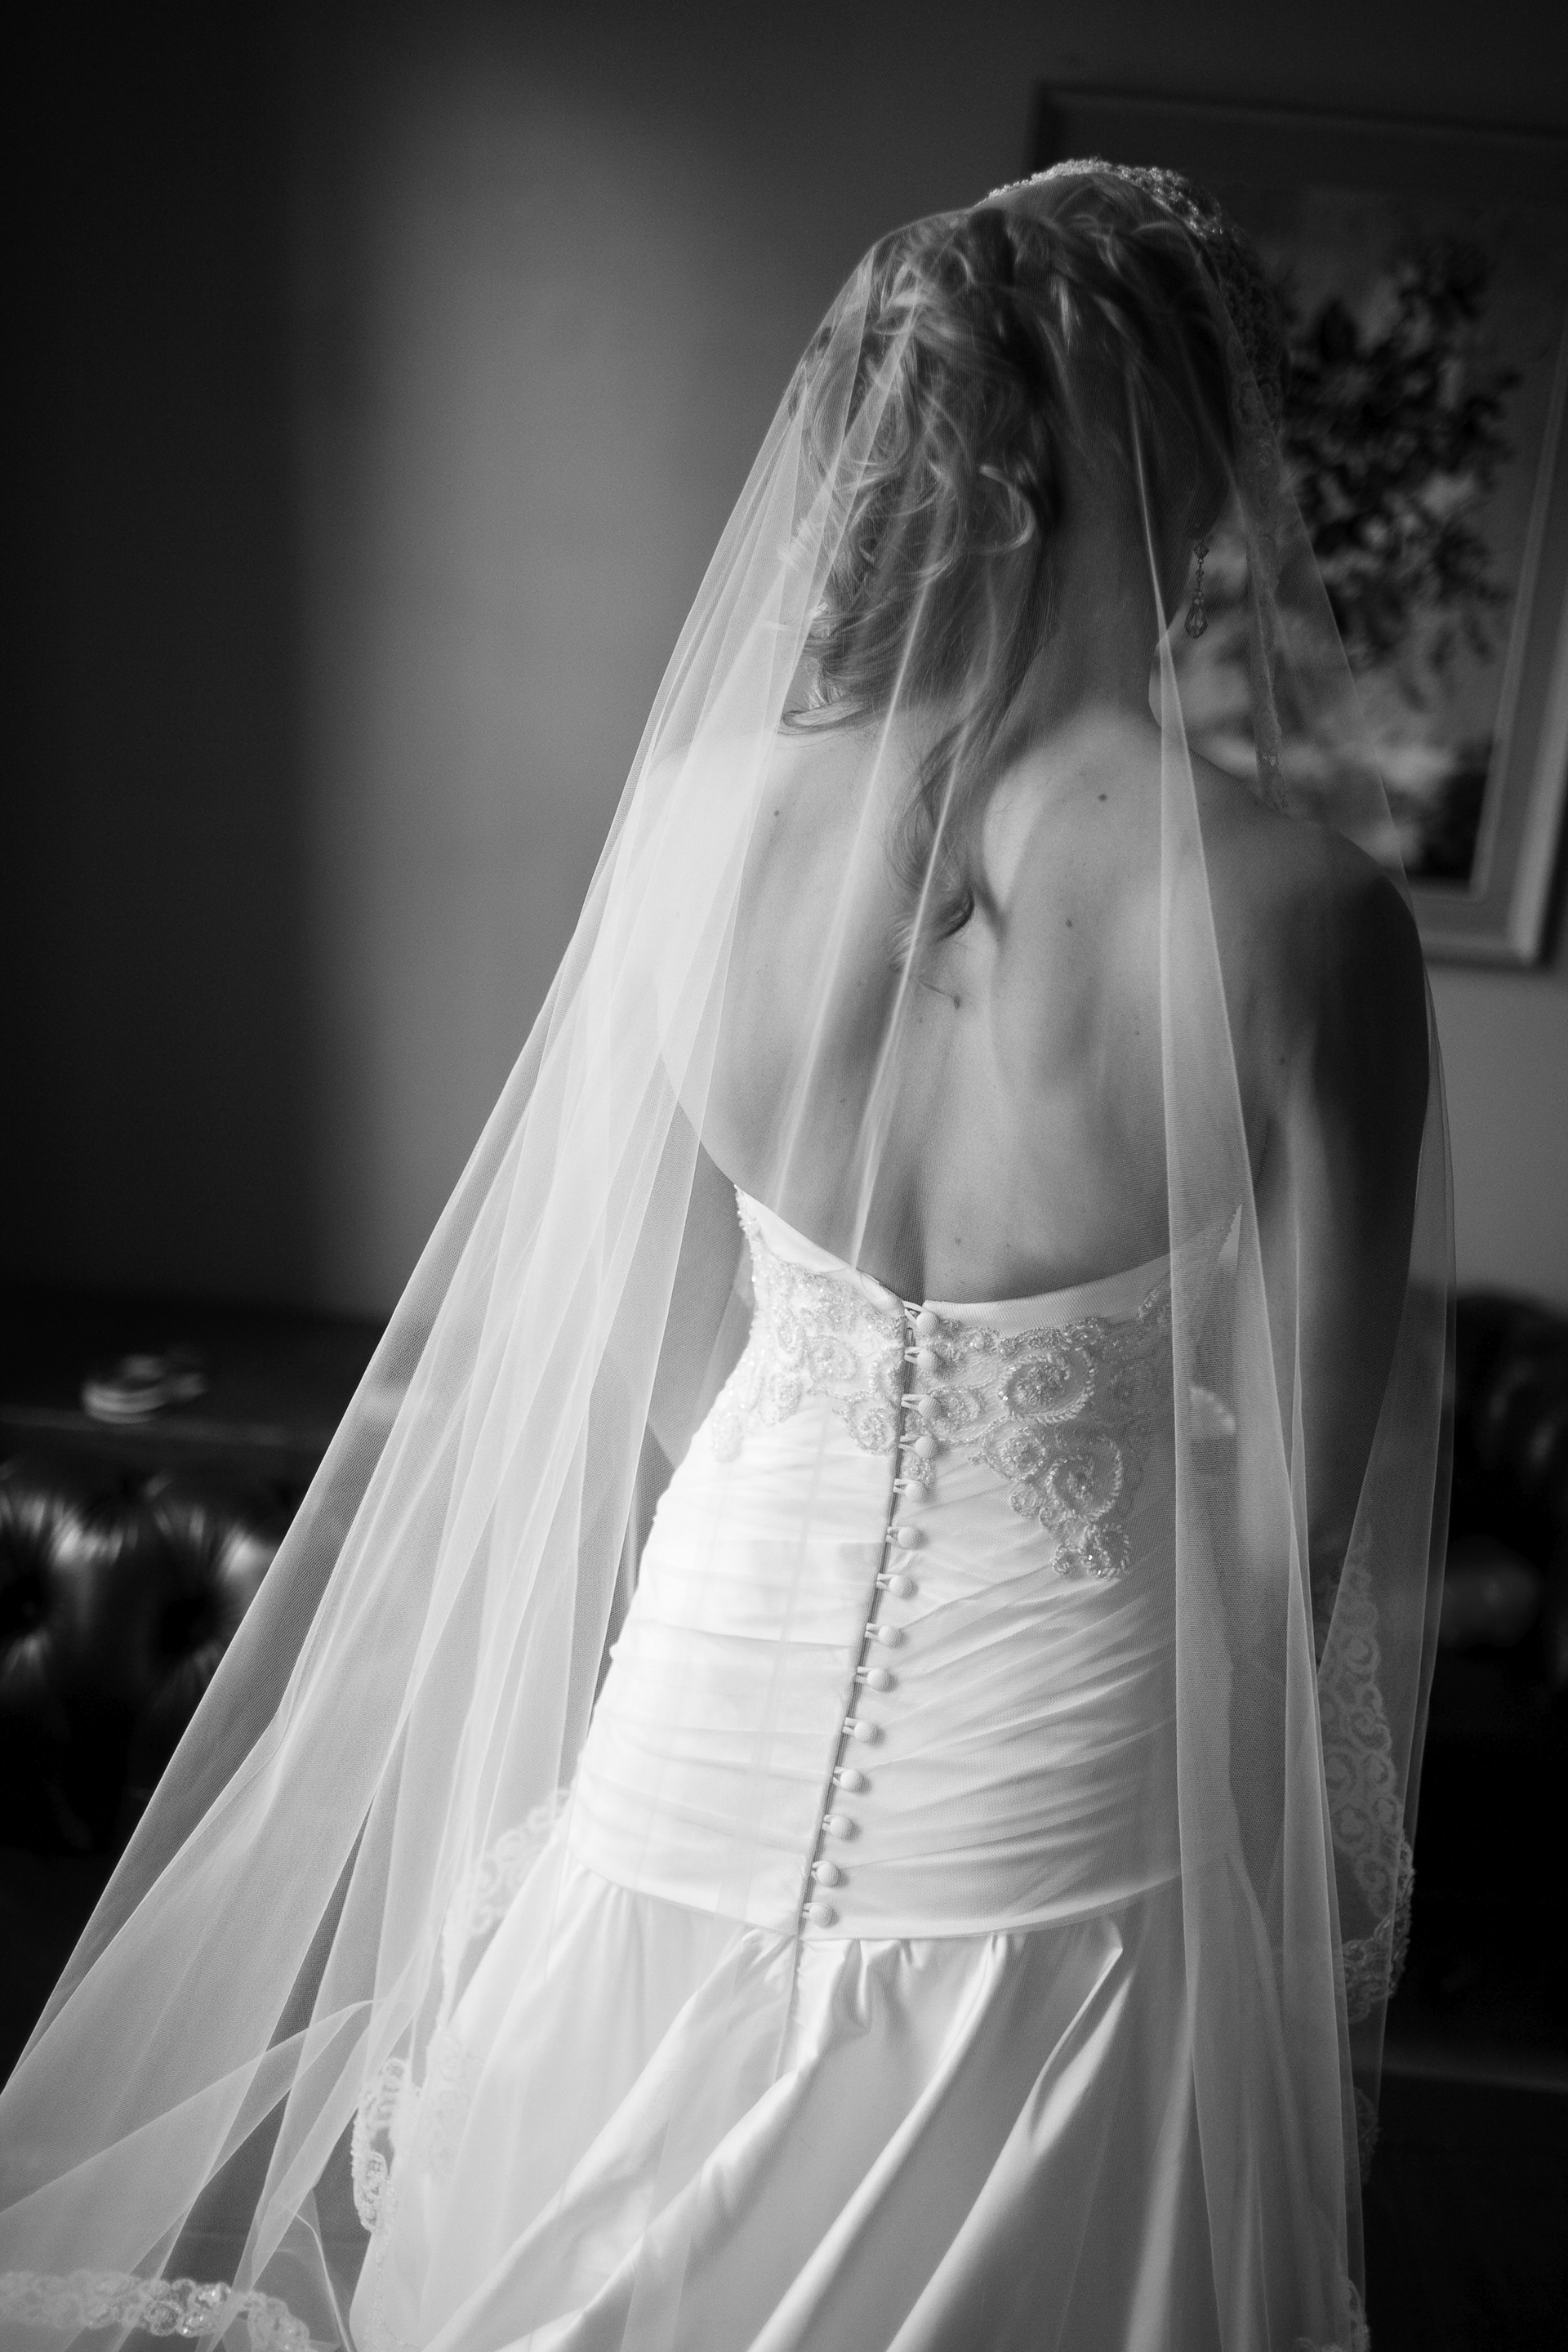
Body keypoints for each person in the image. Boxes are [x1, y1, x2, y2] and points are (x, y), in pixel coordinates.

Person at [0, 163, 1450, 2352]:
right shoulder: (1305, 921)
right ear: (1193, 469)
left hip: (708, 1681)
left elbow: (659, 1343)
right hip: (1060, 1773)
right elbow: (1288, 1549)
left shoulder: (696, 822)